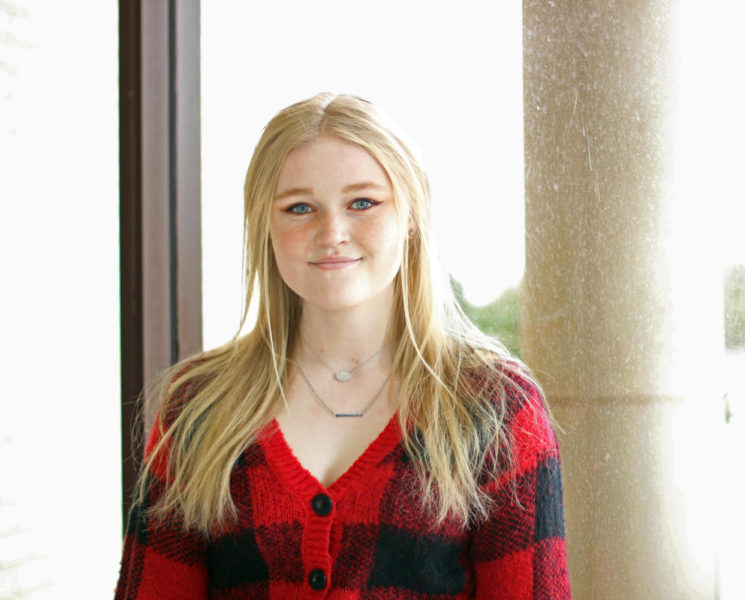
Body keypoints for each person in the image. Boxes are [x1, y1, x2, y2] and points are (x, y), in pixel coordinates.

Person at [115, 93, 571, 599]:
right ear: (266, 226)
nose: (331, 233)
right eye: (299, 208)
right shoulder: (197, 405)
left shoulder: (496, 408)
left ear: (412, 217)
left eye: (363, 203)